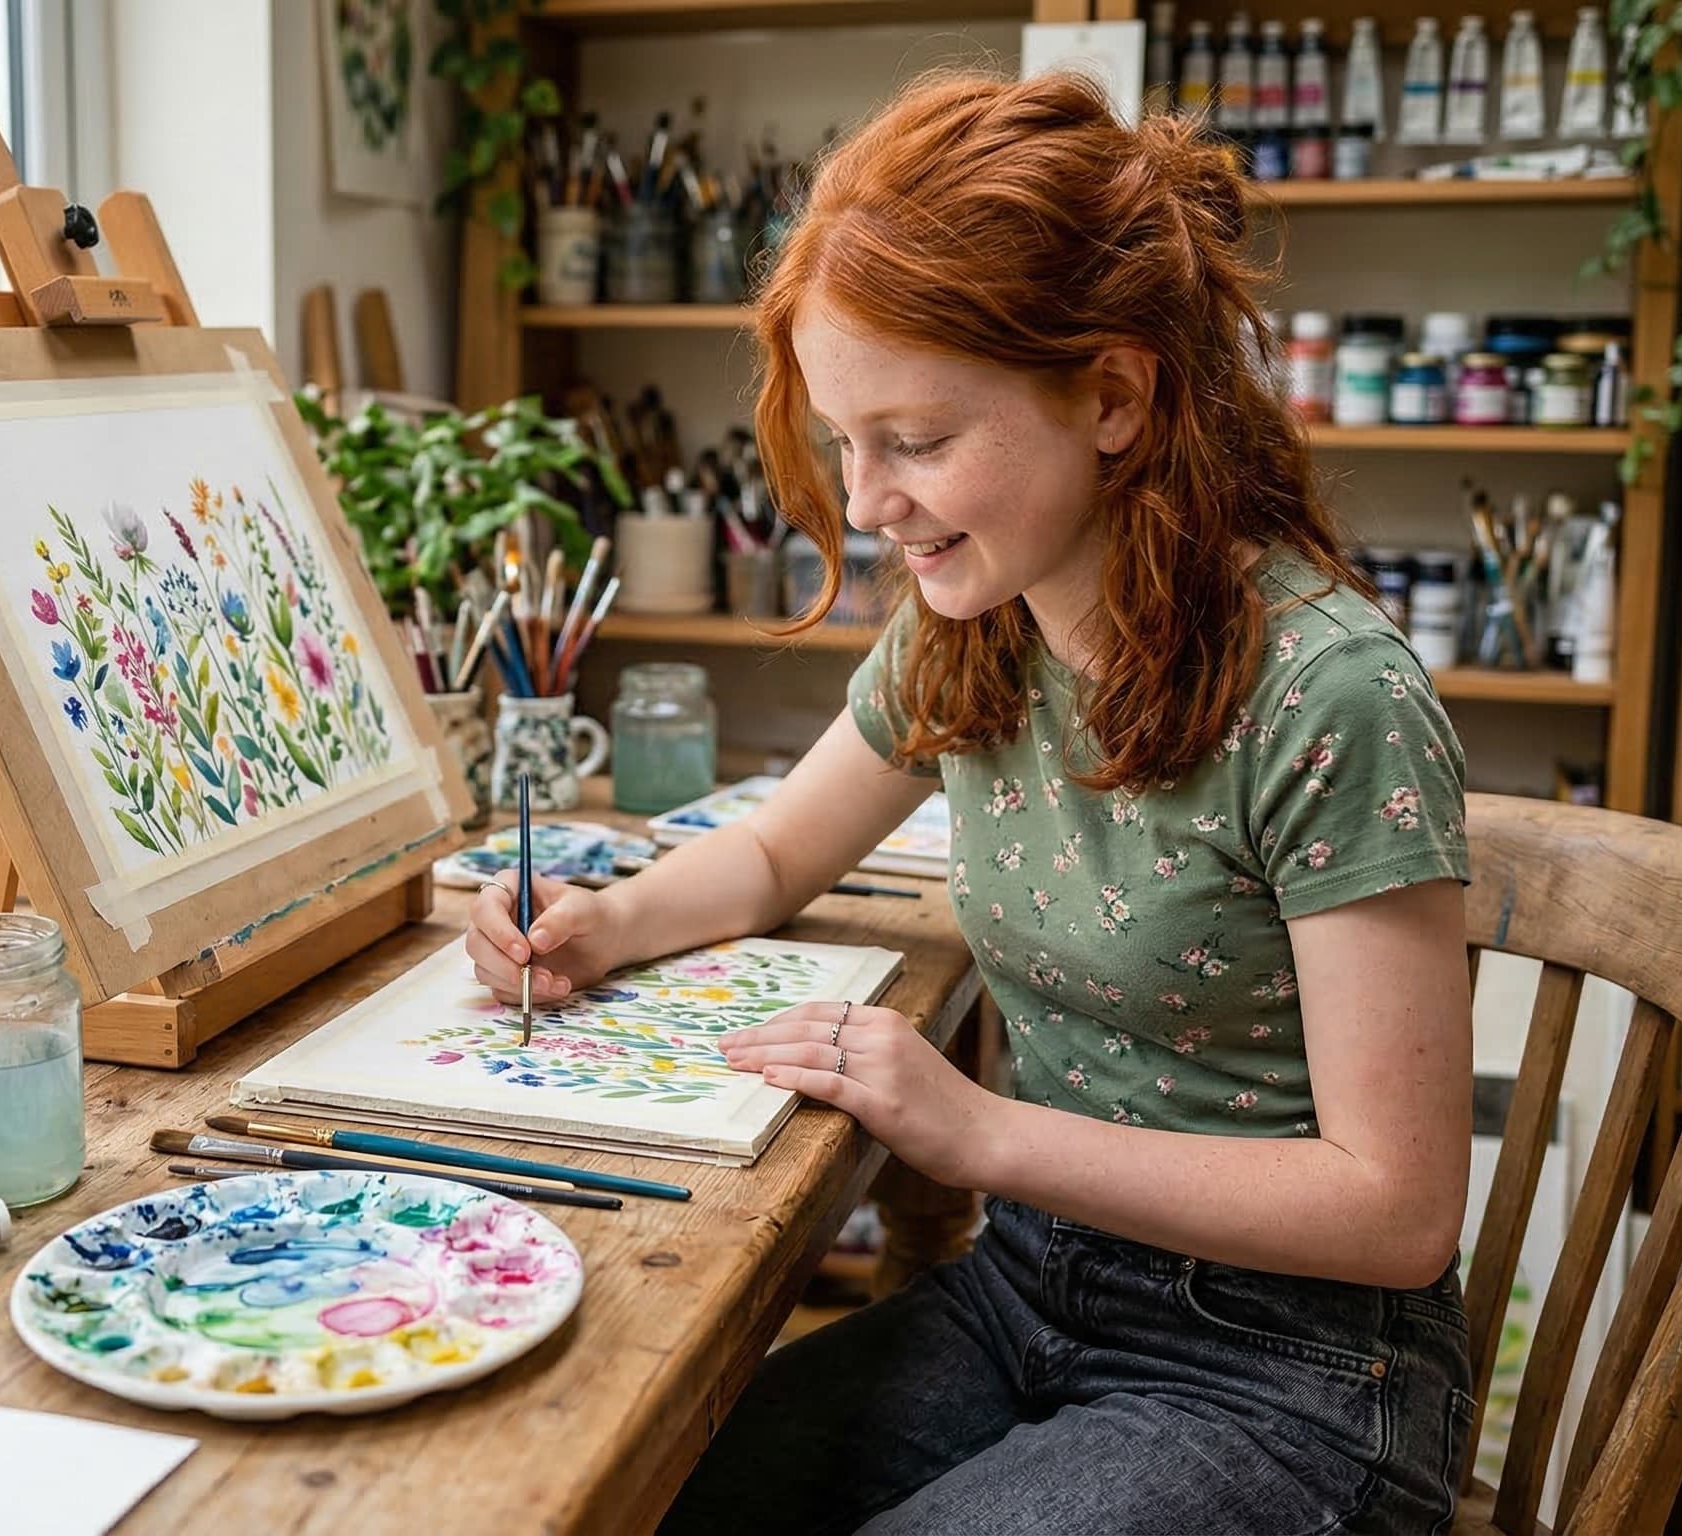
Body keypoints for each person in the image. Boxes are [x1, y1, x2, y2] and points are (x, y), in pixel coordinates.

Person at [467, 71, 1478, 1536]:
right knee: (634, 1493)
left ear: (1115, 397)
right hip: (1037, 1290)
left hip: (1296, 1371)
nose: (868, 501)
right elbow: (765, 855)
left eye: (918, 441)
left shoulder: (1331, 694)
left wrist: (979, 1133)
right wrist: (599, 920)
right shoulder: (974, 619)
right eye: (843, 441)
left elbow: (1397, 1211)